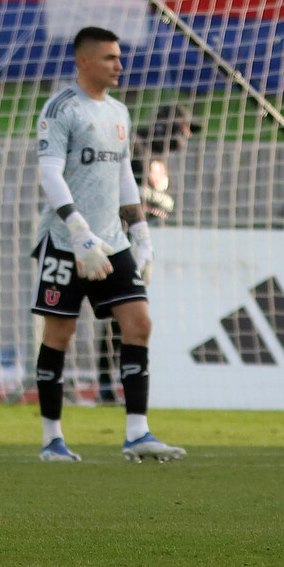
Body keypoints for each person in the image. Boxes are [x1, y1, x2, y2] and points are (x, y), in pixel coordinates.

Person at [31, 26, 185, 463]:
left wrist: (140, 234)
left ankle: (138, 432)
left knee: (139, 324)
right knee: (60, 334)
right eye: (110, 58)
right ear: (84, 61)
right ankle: (51, 439)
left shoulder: (119, 111)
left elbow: (123, 176)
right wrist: (78, 233)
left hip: (112, 241)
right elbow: (49, 174)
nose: (119, 65)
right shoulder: (61, 108)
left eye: (120, 57)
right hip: (66, 241)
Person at [96, 103, 199, 402]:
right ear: (168, 127)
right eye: (184, 129)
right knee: (119, 314)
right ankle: (107, 382)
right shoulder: (135, 146)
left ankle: (127, 379)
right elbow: (125, 195)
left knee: (135, 316)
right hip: (122, 243)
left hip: (150, 248)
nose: (187, 137)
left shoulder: (161, 160)